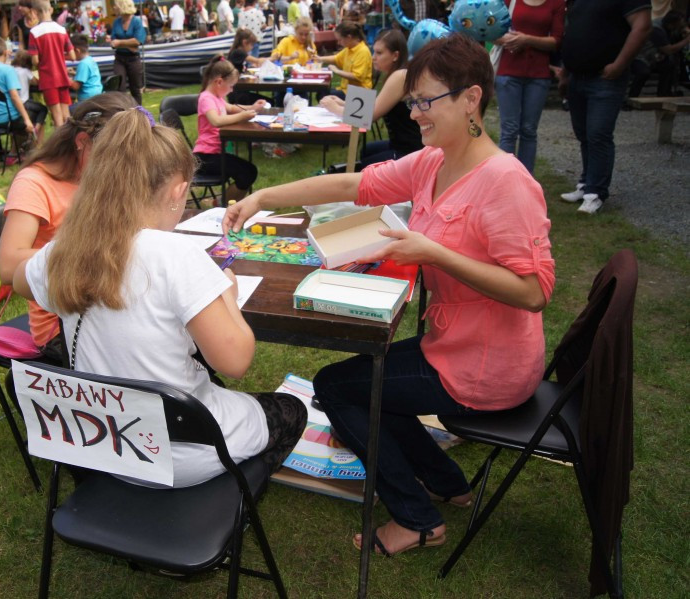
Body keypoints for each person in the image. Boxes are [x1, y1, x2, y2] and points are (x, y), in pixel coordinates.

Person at [223, 33, 555, 556]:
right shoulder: (434, 161)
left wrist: (435, 253)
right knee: (369, 379)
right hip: (454, 346)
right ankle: (447, 481)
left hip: (487, 366)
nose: (416, 114)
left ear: (471, 99)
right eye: (413, 102)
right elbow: (352, 186)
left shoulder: (505, 182)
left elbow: (534, 292)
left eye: (426, 102)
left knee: (338, 386)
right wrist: (264, 196)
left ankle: (417, 518)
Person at [13, 107, 306, 488]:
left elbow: (20, 280)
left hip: (105, 444)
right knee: (292, 411)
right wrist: (228, 298)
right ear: (178, 190)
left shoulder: (63, 252)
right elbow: (236, 361)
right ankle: (227, 498)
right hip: (179, 457)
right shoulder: (178, 256)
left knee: (199, 369)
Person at [0, 94, 136, 363]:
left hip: (112, 303)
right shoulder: (35, 183)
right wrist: (93, 249)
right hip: (63, 322)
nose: (119, 167)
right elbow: (7, 265)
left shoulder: (103, 176)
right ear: (83, 142)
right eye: (112, 157)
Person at [557, 0, 651, 215]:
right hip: (576, 76)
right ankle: (586, 184)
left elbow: (643, 26)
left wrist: (620, 64)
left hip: (605, 78)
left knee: (598, 133)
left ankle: (596, 193)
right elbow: (572, 32)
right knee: (584, 134)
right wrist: (564, 73)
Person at [320, 29, 422, 167]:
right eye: (374, 52)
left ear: (395, 55)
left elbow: (368, 117)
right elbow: (378, 104)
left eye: (379, 53)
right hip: (403, 144)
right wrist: (343, 103)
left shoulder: (399, 76)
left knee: (364, 167)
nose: (373, 57)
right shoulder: (398, 74)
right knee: (367, 151)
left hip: (409, 151)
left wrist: (335, 108)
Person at [493, 0, 565, 175]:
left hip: (538, 74)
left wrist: (527, 40)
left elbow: (556, 40)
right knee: (509, 130)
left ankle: (526, 180)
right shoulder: (507, 1)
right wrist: (507, 40)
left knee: (529, 130)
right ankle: (504, 179)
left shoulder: (556, 3)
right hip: (508, 71)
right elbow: (491, 32)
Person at [195, 56, 267, 203]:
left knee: (249, 171)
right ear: (219, 82)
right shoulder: (206, 98)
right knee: (246, 173)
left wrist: (253, 108)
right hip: (206, 156)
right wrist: (242, 116)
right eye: (231, 86)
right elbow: (216, 121)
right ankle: (222, 204)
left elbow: (232, 108)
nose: (232, 90)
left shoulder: (216, 96)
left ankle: (224, 203)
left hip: (215, 152)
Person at [0, 37, 36, 160]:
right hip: (6, 119)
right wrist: (27, 119)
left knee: (25, 114)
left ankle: (17, 150)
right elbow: (14, 96)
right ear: (5, 52)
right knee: (35, 115)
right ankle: (26, 154)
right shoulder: (8, 70)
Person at [28, 0, 75, 128]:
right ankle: (71, 143)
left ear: (34, 12)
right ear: (51, 10)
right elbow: (72, 56)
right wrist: (58, 56)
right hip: (62, 76)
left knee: (57, 116)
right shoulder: (62, 30)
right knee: (66, 115)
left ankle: (61, 146)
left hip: (48, 78)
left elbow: (35, 60)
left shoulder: (34, 32)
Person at [629, 10, 690, 97]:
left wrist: (684, 32)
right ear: (672, 24)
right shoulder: (656, 29)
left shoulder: (669, 26)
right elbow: (668, 50)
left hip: (655, 56)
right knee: (643, 72)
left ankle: (663, 94)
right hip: (641, 56)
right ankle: (631, 98)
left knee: (669, 65)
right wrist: (686, 41)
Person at [319, 21, 372, 98]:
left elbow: (357, 77)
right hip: (347, 90)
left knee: (323, 95)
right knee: (322, 92)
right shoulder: (349, 49)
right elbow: (336, 58)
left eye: (340, 40)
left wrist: (337, 71)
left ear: (349, 37)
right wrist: (319, 59)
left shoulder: (362, 51)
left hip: (360, 94)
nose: (338, 43)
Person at [110, 0, 146, 106]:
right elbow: (113, 42)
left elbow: (138, 41)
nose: (114, 8)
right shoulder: (116, 22)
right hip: (119, 58)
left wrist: (120, 42)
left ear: (122, 6)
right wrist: (130, 45)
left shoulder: (137, 22)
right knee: (119, 88)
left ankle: (138, 113)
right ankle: (123, 112)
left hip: (133, 59)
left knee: (135, 88)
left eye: (116, 6)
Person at [12, 50, 48, 143]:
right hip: (23, 102)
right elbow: (36, 82)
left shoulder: (11, 70)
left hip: (12, 103)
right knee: (43, 109)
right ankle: (36, 128)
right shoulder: (26, 71)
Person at [70, 36, 102, 101]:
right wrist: (74, 73)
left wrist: (63, 76)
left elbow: (76, 86)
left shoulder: (83, 64)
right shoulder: (90, 60)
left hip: (87, 100)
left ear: (77, 50)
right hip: (97, 95)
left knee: (68, 110)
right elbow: (89, 76)